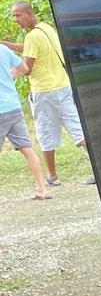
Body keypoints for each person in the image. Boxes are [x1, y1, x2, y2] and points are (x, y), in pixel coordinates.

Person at [5, 1, 93, 186]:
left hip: (44, 91)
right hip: (63, 86)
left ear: (29, 13)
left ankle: (52, 177)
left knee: (45, 134)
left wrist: (6, 77)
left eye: (18, 15)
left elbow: (26, 69)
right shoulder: (46, 29)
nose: (15, 20)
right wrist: (6, 45)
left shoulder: (32, 37)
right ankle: (100, 169)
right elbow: (30, 49)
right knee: (78, 130)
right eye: (14, 16)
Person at [0, 42, 50, 200]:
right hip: (13, 107)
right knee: (27, 149)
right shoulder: (3, 49)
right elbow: (24, 69)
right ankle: (42, 188)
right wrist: (9, 76)